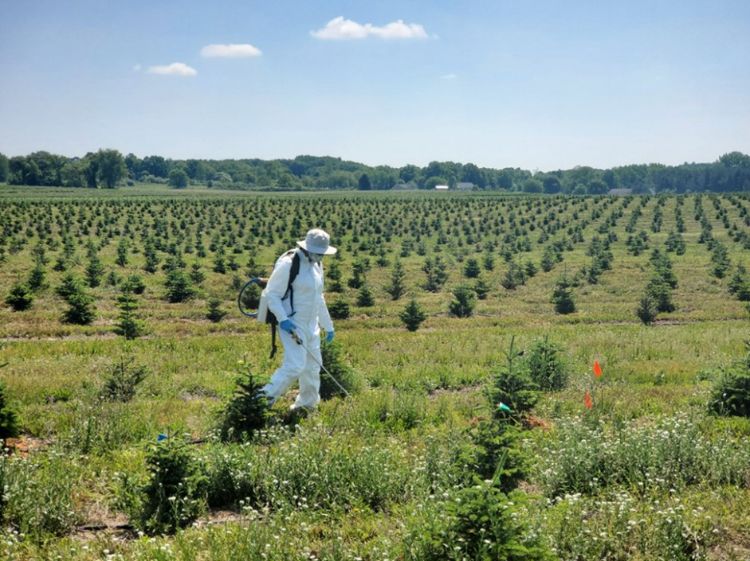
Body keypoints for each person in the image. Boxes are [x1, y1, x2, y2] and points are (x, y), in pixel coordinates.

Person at [261, 228, 336, 410]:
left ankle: (307, 405)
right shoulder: (288, 264)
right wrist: (283, 319)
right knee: (295, 366)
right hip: (293, 324)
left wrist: (328, 325)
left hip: (312, 325)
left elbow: (319, 297)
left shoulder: (317, 266)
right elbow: (272, 295)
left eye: (322, 254)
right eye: (318, 253)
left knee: (312, 367)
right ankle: (260, 403)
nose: (320, 257)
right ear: (307, 248)